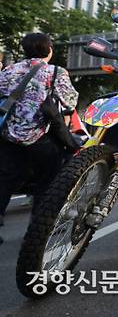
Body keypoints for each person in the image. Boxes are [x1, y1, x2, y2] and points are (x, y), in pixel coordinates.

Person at [0, 33, 78, 227]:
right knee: (48, 181)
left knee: (4, 181)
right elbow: (70, 101)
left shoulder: (10, 70)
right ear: (49, 50)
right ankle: (39, 227)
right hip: (41, 137)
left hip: (9, 136)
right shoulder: (55, 72)